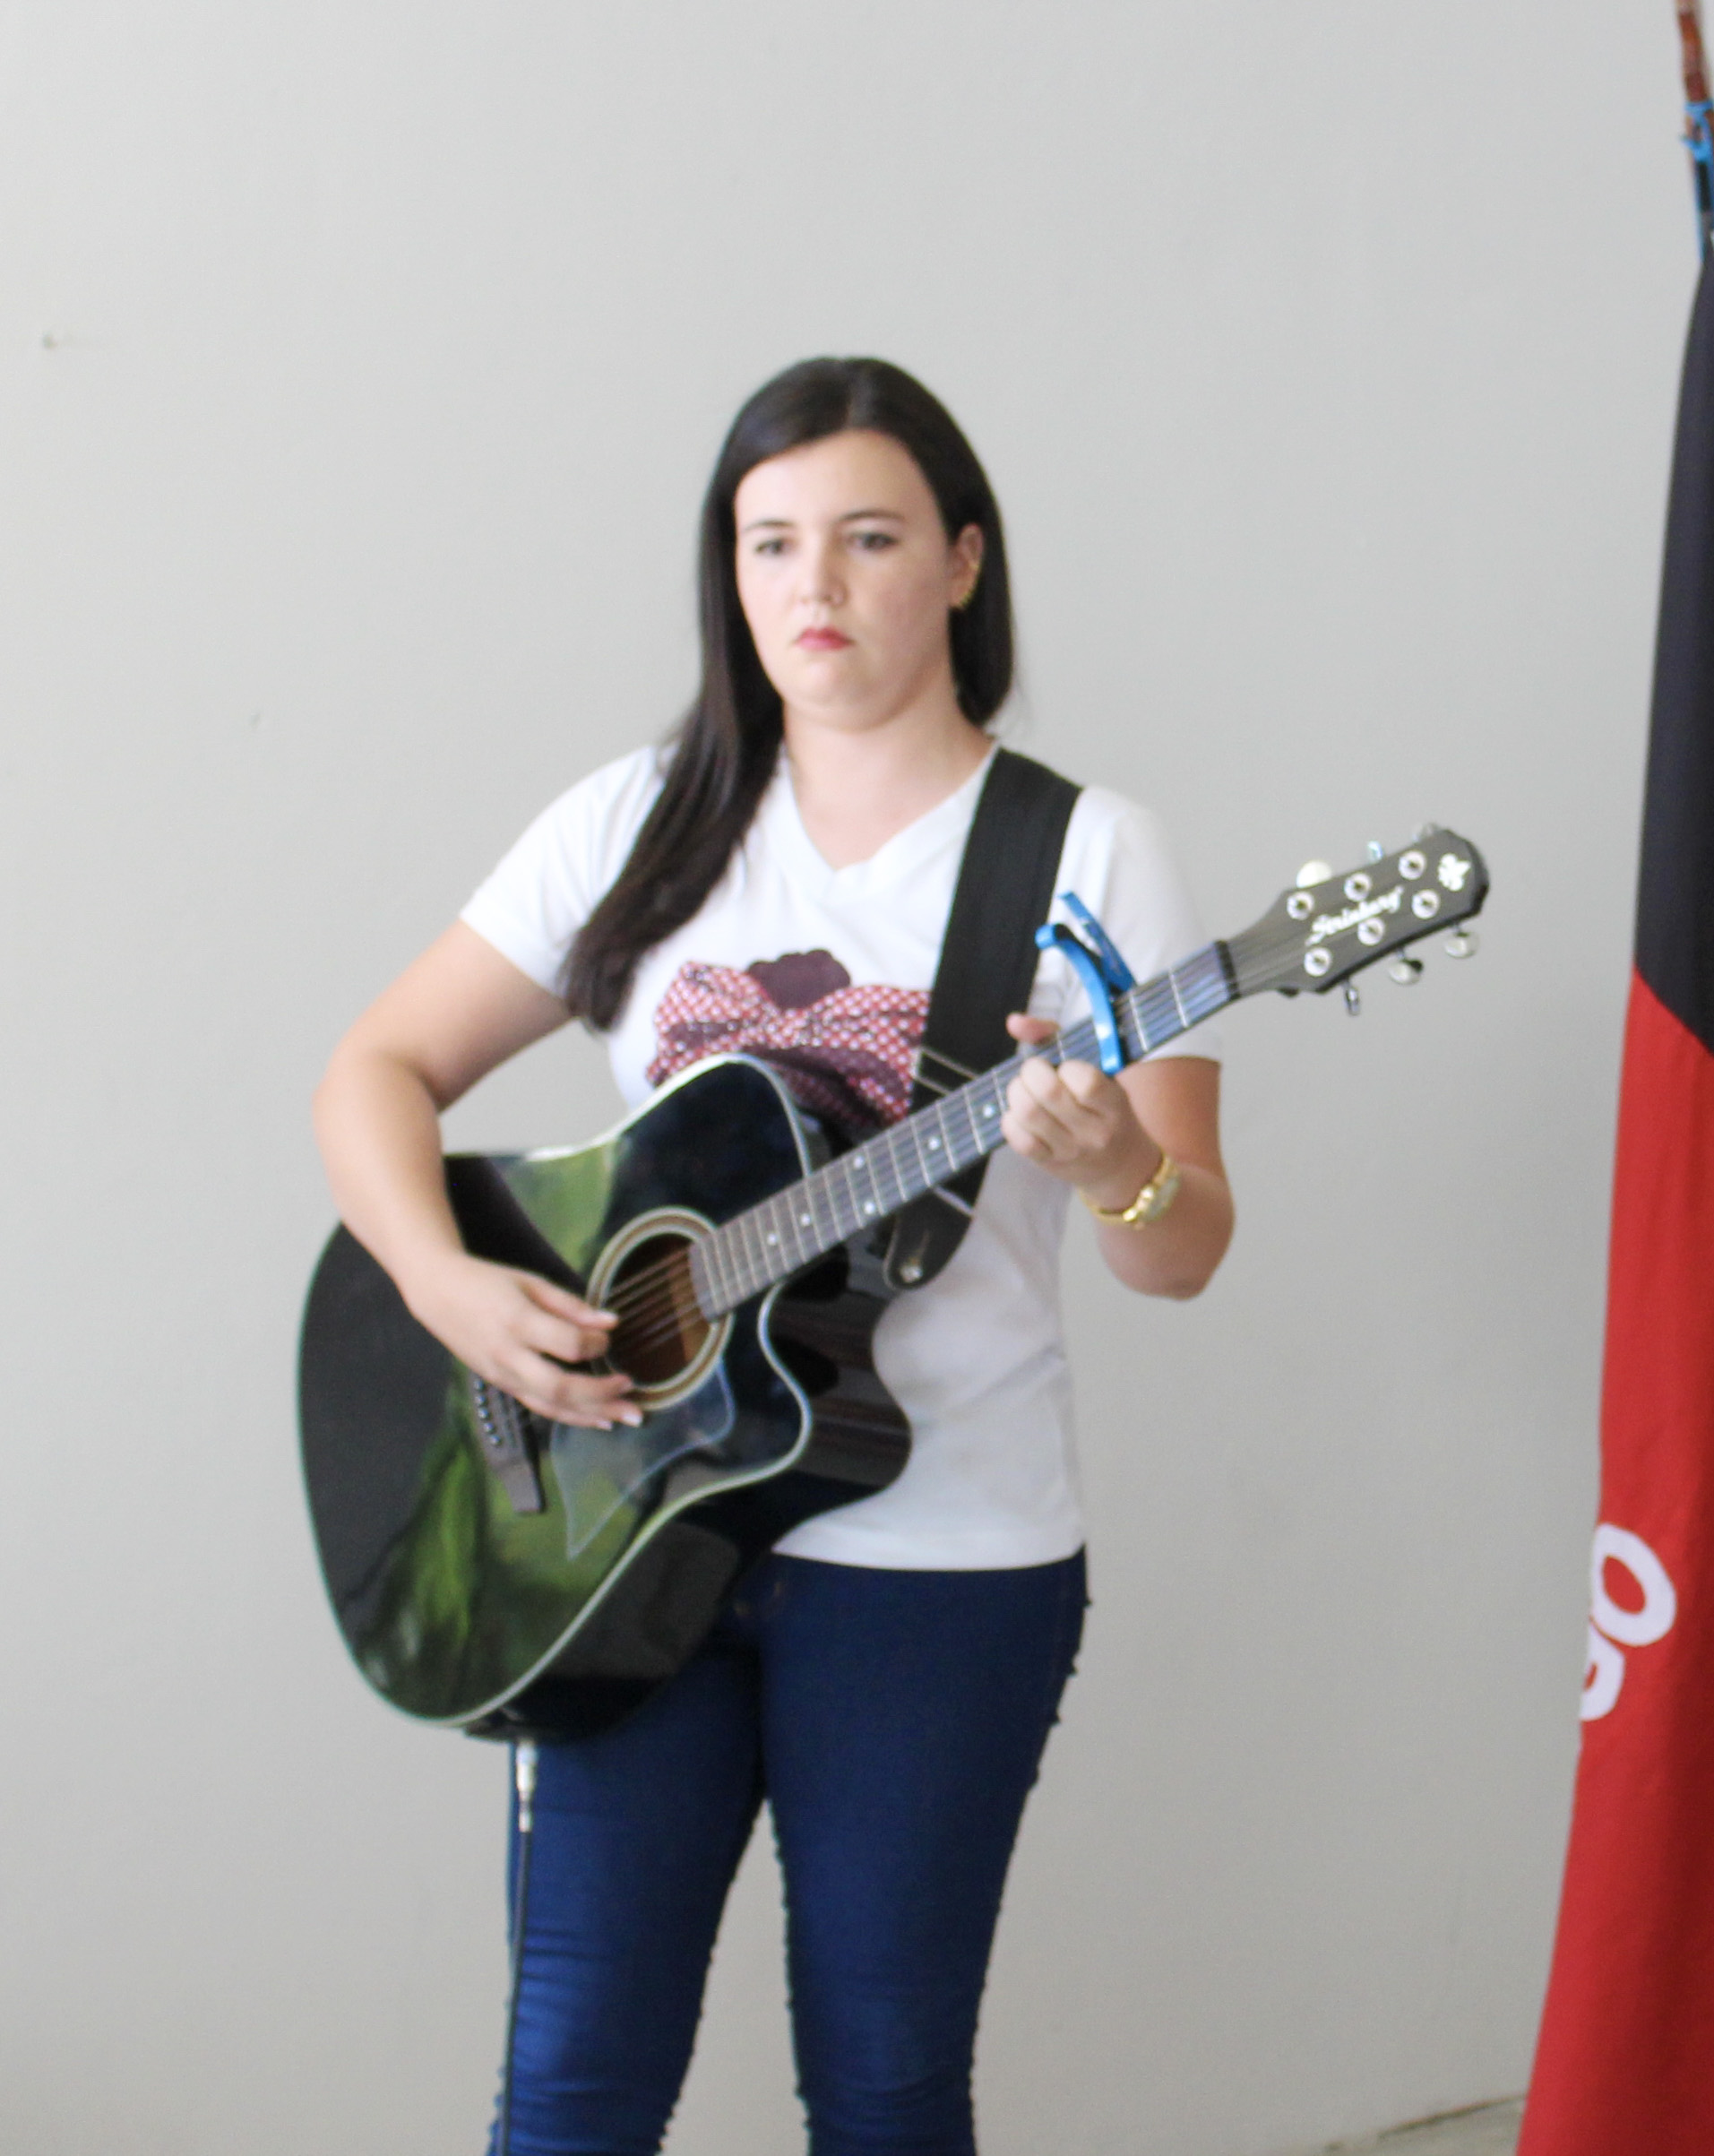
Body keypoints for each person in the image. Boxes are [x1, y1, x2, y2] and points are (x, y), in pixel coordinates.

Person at [311, 357, 1233, 2154]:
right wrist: (447, 1283)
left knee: (884, 2093)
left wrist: (1121, 1166)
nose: (815, 585)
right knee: (569, 2089)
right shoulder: (640, 821)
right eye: (771, 543)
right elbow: (376, 1071)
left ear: (961, 561)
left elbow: (1181, 1247)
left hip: (940, 1555)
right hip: (613, 1533)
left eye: (869, 538)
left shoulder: (1084, 854)